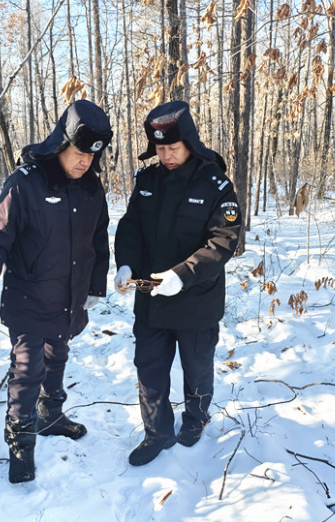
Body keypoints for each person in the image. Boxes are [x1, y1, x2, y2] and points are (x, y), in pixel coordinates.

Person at [0, 100, 113, 483]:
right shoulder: (25, 182)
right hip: (28, 298)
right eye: (79, 152)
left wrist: (95, 286)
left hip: (68, 298)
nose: (84, 161)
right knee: (28, 368)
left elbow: (98, 240)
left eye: (92, 155)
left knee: (57, 355)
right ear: (62, 143)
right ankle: (20, 443)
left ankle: (50, 416)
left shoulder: (91, 187)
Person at [114, 100, 241, 466]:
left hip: (197, 301)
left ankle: (195, 419)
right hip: (151, 298)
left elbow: (223, 241)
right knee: (149, 369)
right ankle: (157, 432)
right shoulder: (148, 180)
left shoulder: (215, 184)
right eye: (160, 149)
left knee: (197, 369)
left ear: (189, 142)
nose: (166, 155)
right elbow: (131, 227)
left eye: (173, 147)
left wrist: (183, 274)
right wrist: (126, 263)